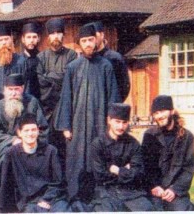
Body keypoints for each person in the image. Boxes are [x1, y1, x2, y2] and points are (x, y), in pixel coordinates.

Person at [54, 23, 120, 204]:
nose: (88, 44)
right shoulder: (73, 67)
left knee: (99, 158)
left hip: (100, 123)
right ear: (79, 44)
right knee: (76, 161)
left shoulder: (106, 66)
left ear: (96, 40)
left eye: (91, 40)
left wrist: (112, 123)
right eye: (84, 41)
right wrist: (66, 126)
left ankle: (101, 197)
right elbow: (66, 97)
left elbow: (113, 96)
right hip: (77, 124)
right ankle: (75, 197)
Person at [0, 113, 68, 213]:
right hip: (28, 201)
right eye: (26, 130)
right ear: (19, 133)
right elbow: (5, 183)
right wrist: (0, 208)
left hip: (52, 198)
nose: (30, 134)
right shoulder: (11, 153)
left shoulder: (51, 151)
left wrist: (46, 199)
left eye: (33, 130)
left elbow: (58, 181)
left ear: (38, 131)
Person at [90, 103, 153, 211]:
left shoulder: (133, 144)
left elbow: (139, 173)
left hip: (131, 191)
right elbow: (100, 175)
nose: (121, 127)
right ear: (109, 120)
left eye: (124, 122)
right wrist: (126, 170)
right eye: (117, 122)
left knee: (147, 209)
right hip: (106, 191)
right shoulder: (98, 144)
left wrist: (118, 170)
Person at [0, 73, 48, 195]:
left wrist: (26, 140)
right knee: (6, 157)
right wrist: (13, 140)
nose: (13, 93)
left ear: (22, 89)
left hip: (30, 145)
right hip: (7, 145)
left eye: (16, 89)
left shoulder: (32, 102)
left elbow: (43, 128)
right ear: (4, 90)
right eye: (10, 90)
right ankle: (4, 197)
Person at [141, 95, 194, 211]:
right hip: (154, 190)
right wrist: (154, 186)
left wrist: (175, 189)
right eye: (156, 113)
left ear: (171, 111)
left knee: (182, 210)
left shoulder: (187, 137)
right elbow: (145, 165)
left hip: (175, 192)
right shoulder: (149, 135)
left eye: (162, 111)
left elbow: (188, 168)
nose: (159, 116)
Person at [36, 18, 78, 167]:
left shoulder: (71, 55)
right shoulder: (41, 57)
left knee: (65, 147)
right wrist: (58, 77)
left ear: (63, 35)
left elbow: (69, 78)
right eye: (52, 34)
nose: (56, 37)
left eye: (59, 33)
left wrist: (50, 76)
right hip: (47, 108)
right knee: (48, 145)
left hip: (65, 106)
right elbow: (41, 81)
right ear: (48, 37)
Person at [0, 24, 29, 102]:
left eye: (6, 39)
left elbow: (27, 87)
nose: (4, 43)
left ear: (11, 40)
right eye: (0, 40)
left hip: (18, 103)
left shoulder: (21, 61)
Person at [90, 21, 131, 101]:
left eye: (95, 35)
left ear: (102, 35)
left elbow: (124, 86)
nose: (93, 39)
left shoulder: (114, 58)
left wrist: (115, 105)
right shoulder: (86, 59)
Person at [20, 22, 42, 100]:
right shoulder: (18, 61)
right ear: (23, 39)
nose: (31, 40)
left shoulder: (42, 58)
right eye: (28, 37)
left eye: (34, 37)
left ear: (38, 38)